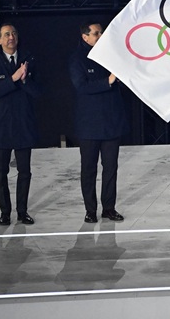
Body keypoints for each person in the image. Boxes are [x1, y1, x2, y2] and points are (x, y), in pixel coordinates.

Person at [0, 22, 43, 226]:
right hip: (1, 126)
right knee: (1, 172)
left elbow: (39, 92)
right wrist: (14, 78)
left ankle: (22, 212)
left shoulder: (29, 60)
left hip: (24, 124)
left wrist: (25, 81)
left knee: (24, 171)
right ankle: (5, 212)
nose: (11, 37)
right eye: (7, 34)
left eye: (14, 33)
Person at [70, 22, 128, 224]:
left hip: (111, 123)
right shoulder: (77, 59)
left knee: (110, 167)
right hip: (89, 125)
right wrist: (108, 81)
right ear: (85, 37)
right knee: (89, 169)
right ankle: (90, 210)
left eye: (101, 32)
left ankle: (109, 208)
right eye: (96, 33)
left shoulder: (110, 55)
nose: (101, 36)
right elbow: (81, 86)